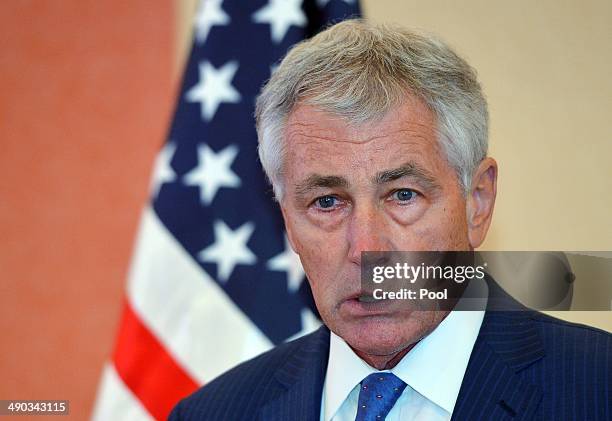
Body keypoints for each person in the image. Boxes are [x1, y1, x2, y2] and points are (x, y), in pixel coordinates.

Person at [169, 20, 611, 421]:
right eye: (326, 202)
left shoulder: (598, 390)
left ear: (477, 202)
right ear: (287, 221)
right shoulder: (212, 413)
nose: (366, 249)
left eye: (403, 195)